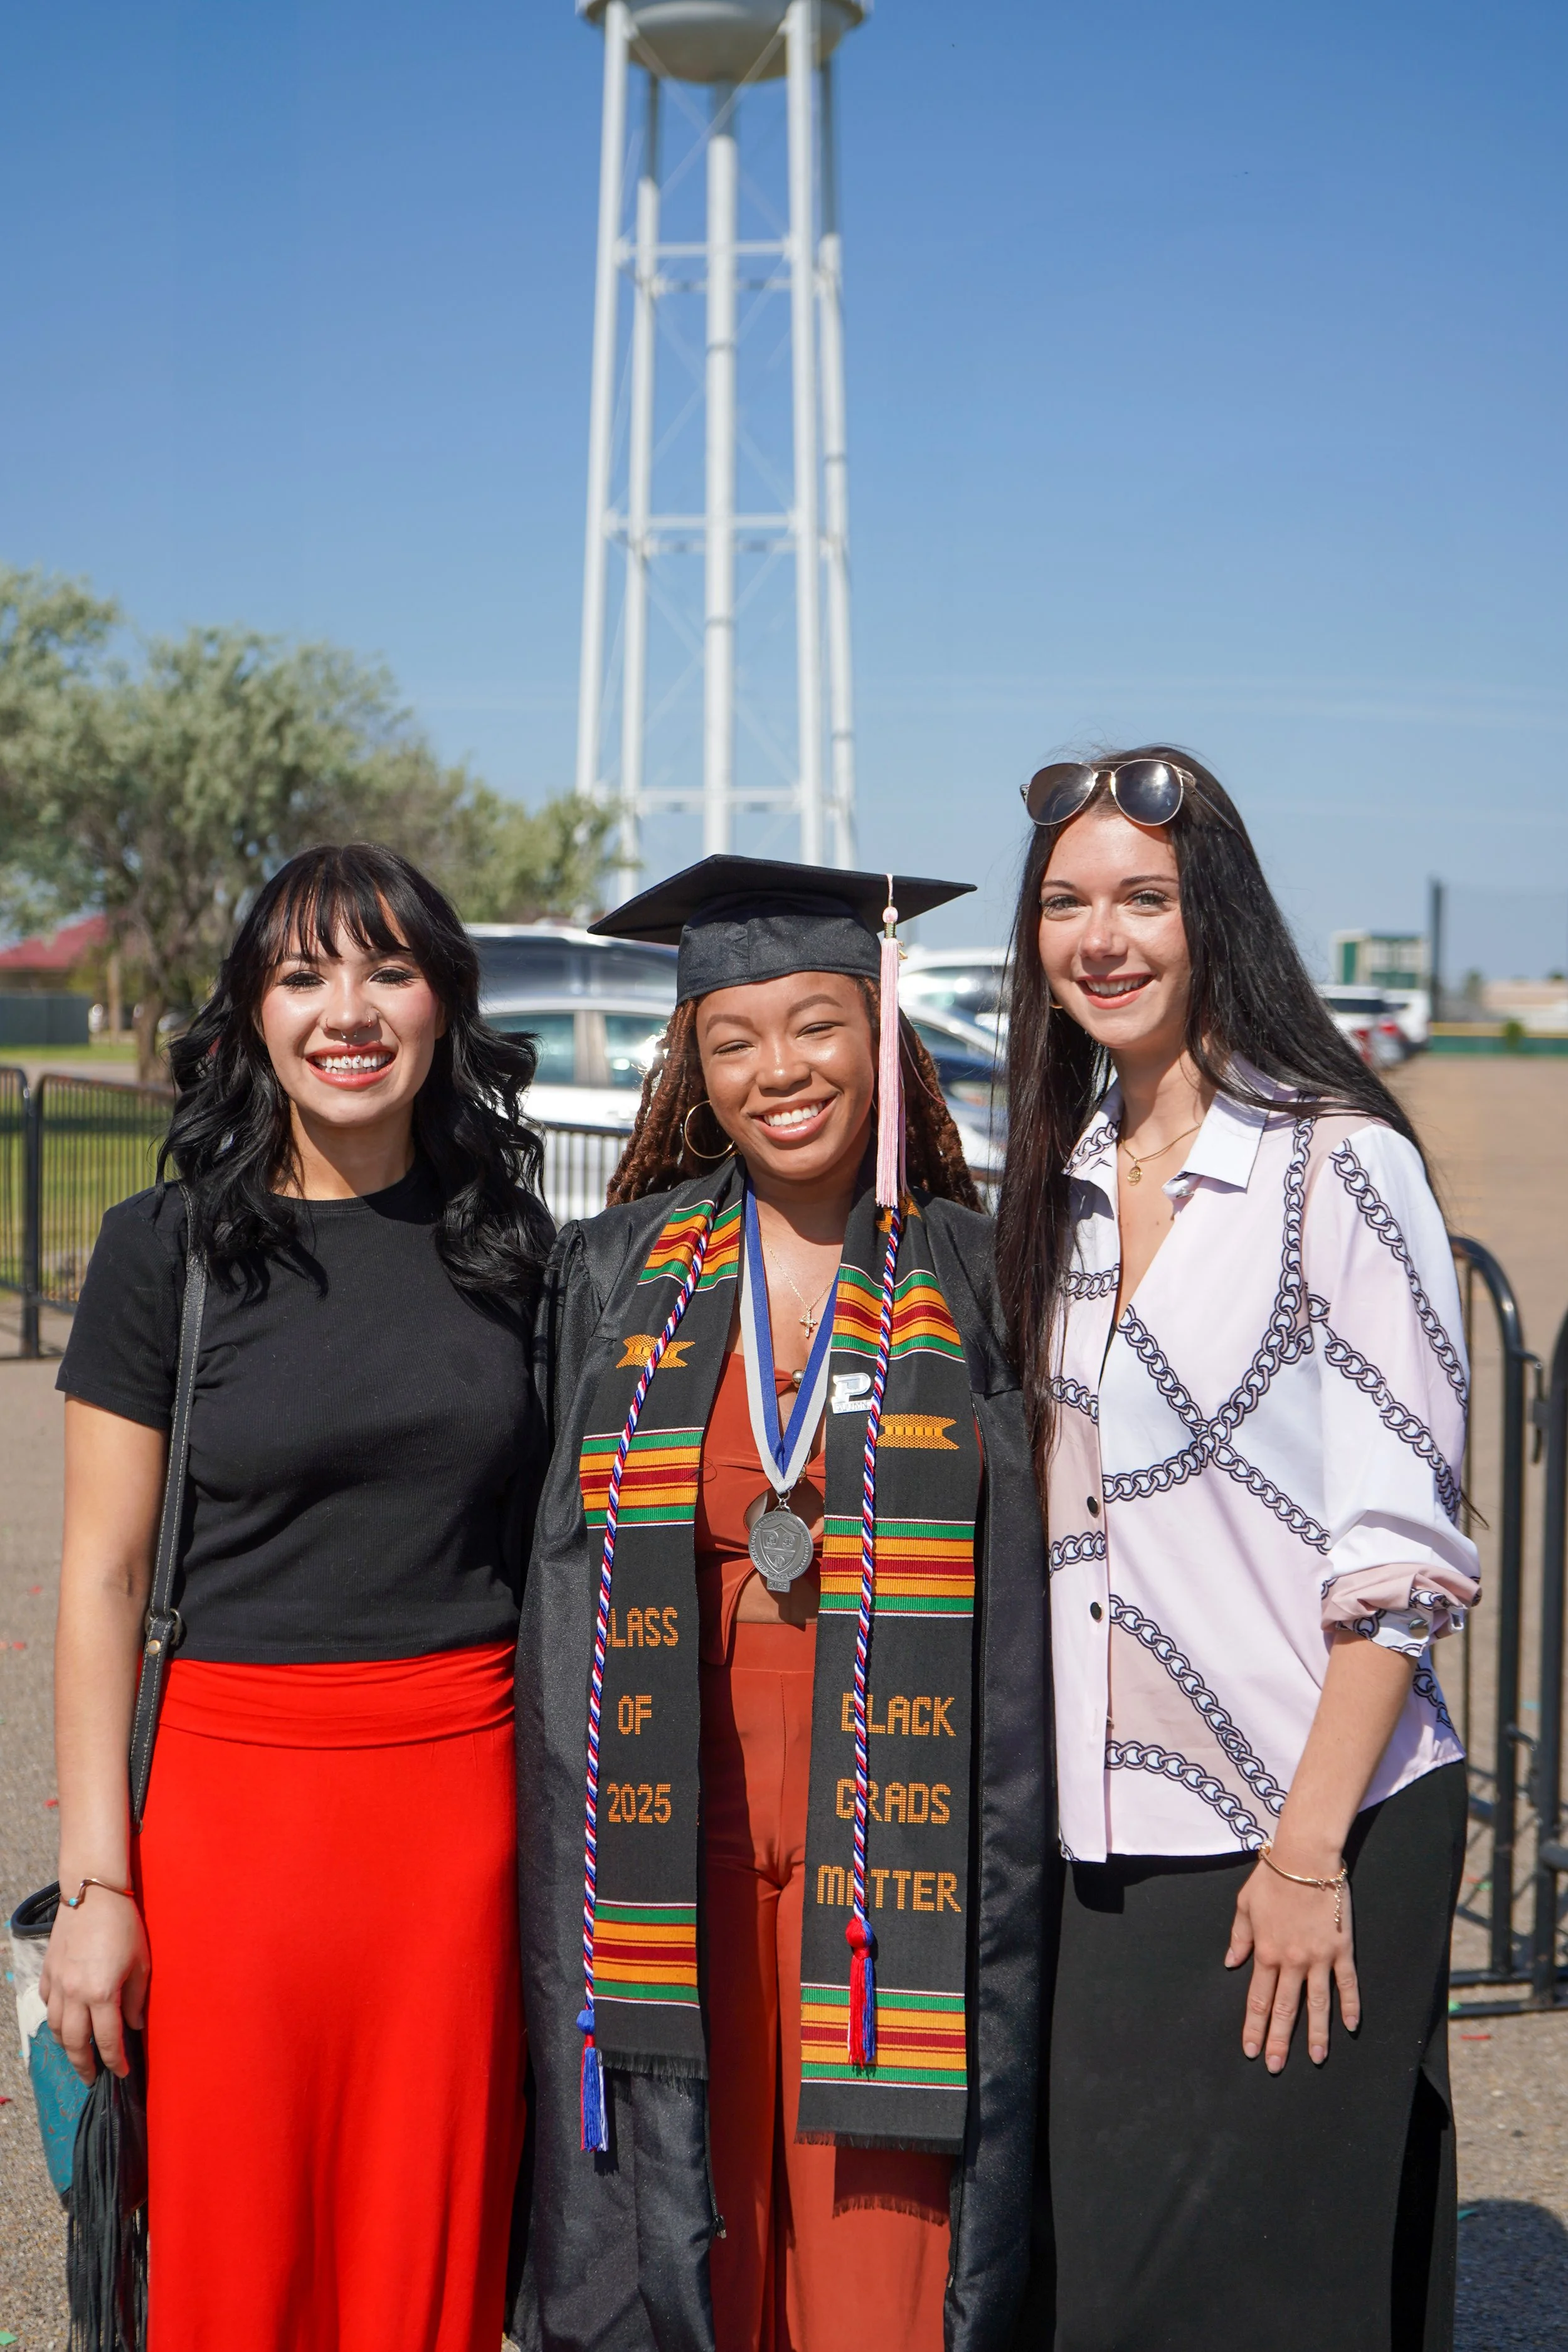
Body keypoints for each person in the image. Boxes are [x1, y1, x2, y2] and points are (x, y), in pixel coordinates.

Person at [513, 856, 1049, 2352]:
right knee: (690, 2227)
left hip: (900, 1837)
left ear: (882, 1039)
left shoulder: (979, 1271)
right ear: (693, 1068)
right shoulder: (615, 1272)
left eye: (815, 1025)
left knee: (879, 2266)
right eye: (731, 1041)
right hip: (670, 1830)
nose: (778, 1073)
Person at [995, 752, 1480, 2351]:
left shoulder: (1336, 1163)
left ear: (1217, 918)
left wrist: (1303, 1854)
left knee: (1258, 2294)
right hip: (1105, 1849)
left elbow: (1399, 1548)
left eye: (1144, 897)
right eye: (1067, 904)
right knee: (1108, 2286)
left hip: (1303, 1818)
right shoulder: (1055, 1188)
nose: (1102, 937)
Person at [40, 842, 552, 2352]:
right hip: (227, 1825)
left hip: (461, 1829)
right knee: (228, 2250)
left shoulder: (513, 1250)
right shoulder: (167, 1249)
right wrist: (95, 1886)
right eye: (305, 974)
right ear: (254, 1015)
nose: (350, 1010)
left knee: (428, 2241)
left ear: (445, 1003)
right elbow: (100, 1577)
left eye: (389, 969)